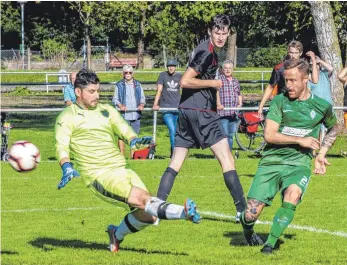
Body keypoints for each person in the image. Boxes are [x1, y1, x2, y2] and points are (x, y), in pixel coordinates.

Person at [55, 69, 201, 253]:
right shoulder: (67, 117)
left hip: (123, 169)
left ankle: (116, 234)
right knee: (144, 200)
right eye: (92, 92)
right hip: (99, 175)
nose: (97, 96)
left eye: (98, 91)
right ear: (78, 92)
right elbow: (61, 146)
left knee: (149, 216)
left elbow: (123, 128)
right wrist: (66, 166)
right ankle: (184, 213)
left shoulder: (106, 110)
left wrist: (134, 139)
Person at [240, 59, 338, 253]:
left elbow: (334, 128)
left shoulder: (321, 106)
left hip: (299, 163)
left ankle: (270, 244)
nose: (288, 85)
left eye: (293, 80)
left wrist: (321, 154)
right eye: (286, 80)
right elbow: (269, 135)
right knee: (250, 214)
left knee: (293, 195)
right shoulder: (279, 101)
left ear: (306, 79)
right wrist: (299, 140)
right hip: (272, 161)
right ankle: (248, 232)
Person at [156, 14, 246, 223]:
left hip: (186, 111)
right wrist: (213, 84)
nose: (221, 37)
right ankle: (242, 211)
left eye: (224, 33)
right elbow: (185, 81)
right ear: (209, 31)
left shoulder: (206, 49)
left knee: (176, 161)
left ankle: (156, 206)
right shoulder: (207, 52)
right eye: (217, 32)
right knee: (227, 158)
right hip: (201, 113)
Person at [257, 41, 318, 118]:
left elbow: (315, 80)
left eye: (296, 53)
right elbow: (270, 87)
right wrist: (261, 107)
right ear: (288, 52)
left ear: (300, 53)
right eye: (291, 52)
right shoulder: (279, 68)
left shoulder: (303, 67)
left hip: (301, 104)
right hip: (285, 103)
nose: (293, 55)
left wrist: (314, 61)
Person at [112, 65, 146, 157]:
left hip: (135, 114)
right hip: (124, 115)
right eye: (126, 72)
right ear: (123, 74)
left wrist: (142, 104)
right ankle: (122, 156)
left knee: (134, 135)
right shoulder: (119, 85)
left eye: (130, 72)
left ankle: (133, 156)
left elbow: (142, 98)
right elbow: (115, 99)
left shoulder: (138, 84)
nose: (128, 74)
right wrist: (120, 105)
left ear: (132, 73)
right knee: (121, 135)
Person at [153, 59, 182, 157]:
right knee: (172, 130)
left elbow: (184, 90)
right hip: (166, 108)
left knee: (177, 132)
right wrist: (156, 104)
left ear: (175, 67)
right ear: (167, 67)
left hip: (177, 109)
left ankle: (173, 151)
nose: (171, 68)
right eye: (169, 66)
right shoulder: (162, 75)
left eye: (173, 66)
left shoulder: (179, 76)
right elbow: (159, 90)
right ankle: (175, 155)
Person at [216, 59, 242, 153]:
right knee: (224, 135)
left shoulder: (235, 81)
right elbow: (216, 92)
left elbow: (238, 93)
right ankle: (221, 154)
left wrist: (240, 103)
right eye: (226, 68)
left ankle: (229, 154)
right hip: (223, 112)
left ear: (232, 70)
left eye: (230, 68)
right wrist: (218, 104)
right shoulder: (219, 79)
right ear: (222, 69)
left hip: (233, 112)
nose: (228, 70)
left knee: (231, 135)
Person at [307, 55, 334, 143]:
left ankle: (323, 148)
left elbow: (331, 69)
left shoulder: (324, 74)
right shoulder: (308, 77)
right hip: (316, 106)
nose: (315, 66)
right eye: (312, 64)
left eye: (317, 64)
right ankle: (315, 148)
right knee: (316, 128)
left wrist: (320, 61)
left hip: (327, 105)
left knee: (328, 128)